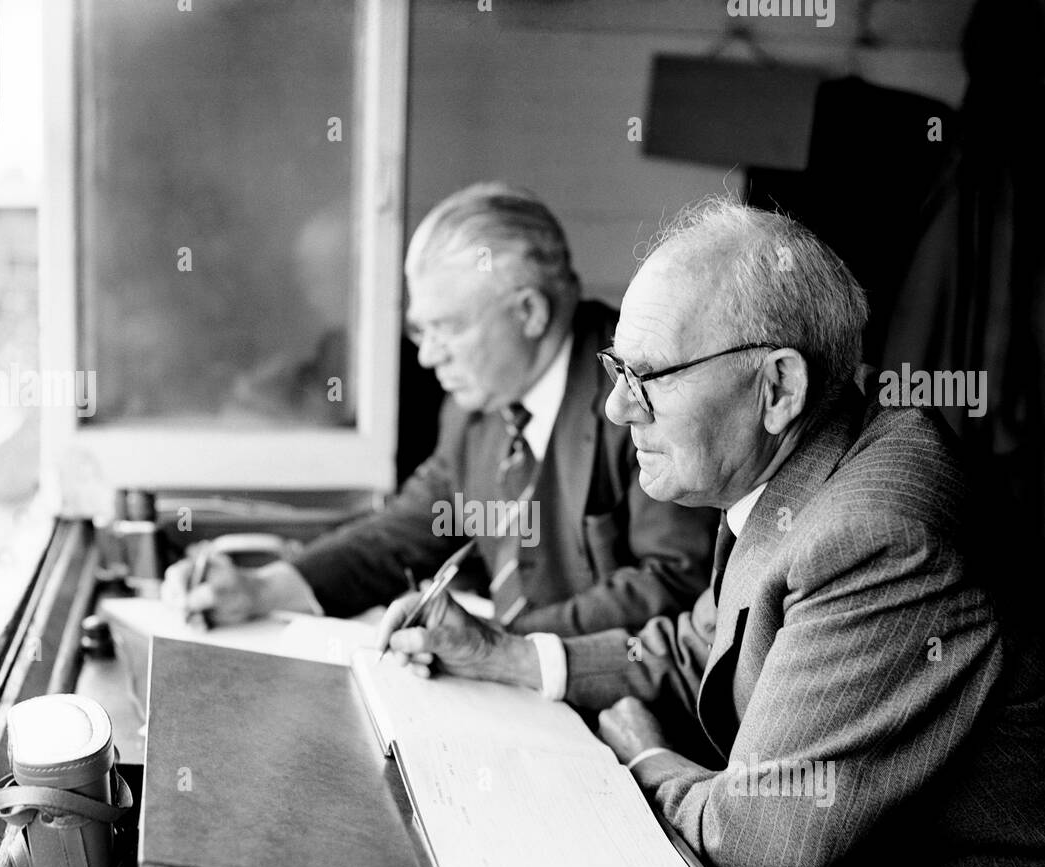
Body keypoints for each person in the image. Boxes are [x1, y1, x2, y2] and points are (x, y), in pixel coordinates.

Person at [379, 198, 1045, 867]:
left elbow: (756, 852)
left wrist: (641, 753)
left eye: (647, 379)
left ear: (776, 386)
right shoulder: (806, 475)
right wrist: (514, 657)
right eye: (613, 370)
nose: (618, 411)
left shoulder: (877, 533)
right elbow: (700, 641)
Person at [166, 183, 717, 636]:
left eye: (447, 329)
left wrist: (502, 647)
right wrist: (262, 589)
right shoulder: (473, 409)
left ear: (528, 312)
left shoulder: (638, 395)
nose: (428, 355)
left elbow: (675, 581)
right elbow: (406, 529)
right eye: (419, 330)